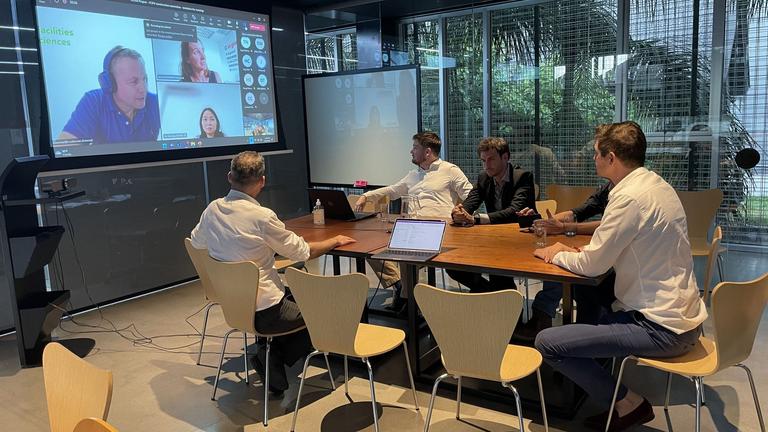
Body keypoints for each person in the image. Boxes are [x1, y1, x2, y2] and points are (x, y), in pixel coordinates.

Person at [533, 122, 707, 431]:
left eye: (596, 153)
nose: (593, 158)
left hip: (661, 329)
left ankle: (629, 404)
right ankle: (593, 363)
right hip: (685, 318)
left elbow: (592, 266)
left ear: (611, 157)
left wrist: (555, 253)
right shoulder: (656, 185)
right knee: (591, 293)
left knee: (548, 343)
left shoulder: (628, 197)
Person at [190, 151, 356, 396]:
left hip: (234, 305)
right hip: (268, 312)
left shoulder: (212, 209)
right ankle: (272, 356)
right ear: (262, 181)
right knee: (326, 308)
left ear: (229, 177)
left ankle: (271, 356)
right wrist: (335, 240)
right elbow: (303, 252)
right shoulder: (262, 217)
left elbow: (196, 242)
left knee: (299, 296)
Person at [355, 132, 473, 310]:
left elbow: (470, 194)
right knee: (369, 247)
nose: (411, 151)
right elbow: (392, 191)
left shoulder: (450, 170)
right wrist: (366, 195)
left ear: (427, 152)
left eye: (415, 147)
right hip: (411, 228)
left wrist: (463, 213)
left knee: (404, 251)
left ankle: (407, 302)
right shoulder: (413, 175)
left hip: (439, 231)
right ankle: (399, 284)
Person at [512, 182, 613, 341]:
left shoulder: (628, 192)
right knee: (556, 262)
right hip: (601, 251)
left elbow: (608, 226)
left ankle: (584, 336)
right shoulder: (608, 188)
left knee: (565, 263)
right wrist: (542, 222)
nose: (596, 165)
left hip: (616, 262)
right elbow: (577, 212)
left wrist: (565, 227)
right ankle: (544, 319)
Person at [447, 137, 535, 293]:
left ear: (505, 157)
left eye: (491, 159)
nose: (486, 165)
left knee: (497, 270)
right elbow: (470, 203)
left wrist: (475, 219)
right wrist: (458, 212)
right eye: (483, 160)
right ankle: (492, 294)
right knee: (453, 263)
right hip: (493, 237)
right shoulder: (484, 177)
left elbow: (514, 211)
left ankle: (499, 298)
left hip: (519, 238)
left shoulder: (523, 177)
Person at [58, 46, 160, 143]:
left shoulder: (156, 103)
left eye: (144, 79)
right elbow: (65, 148)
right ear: (110, 83)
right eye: (134, 81)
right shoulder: (94, 102)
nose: (143, 89)